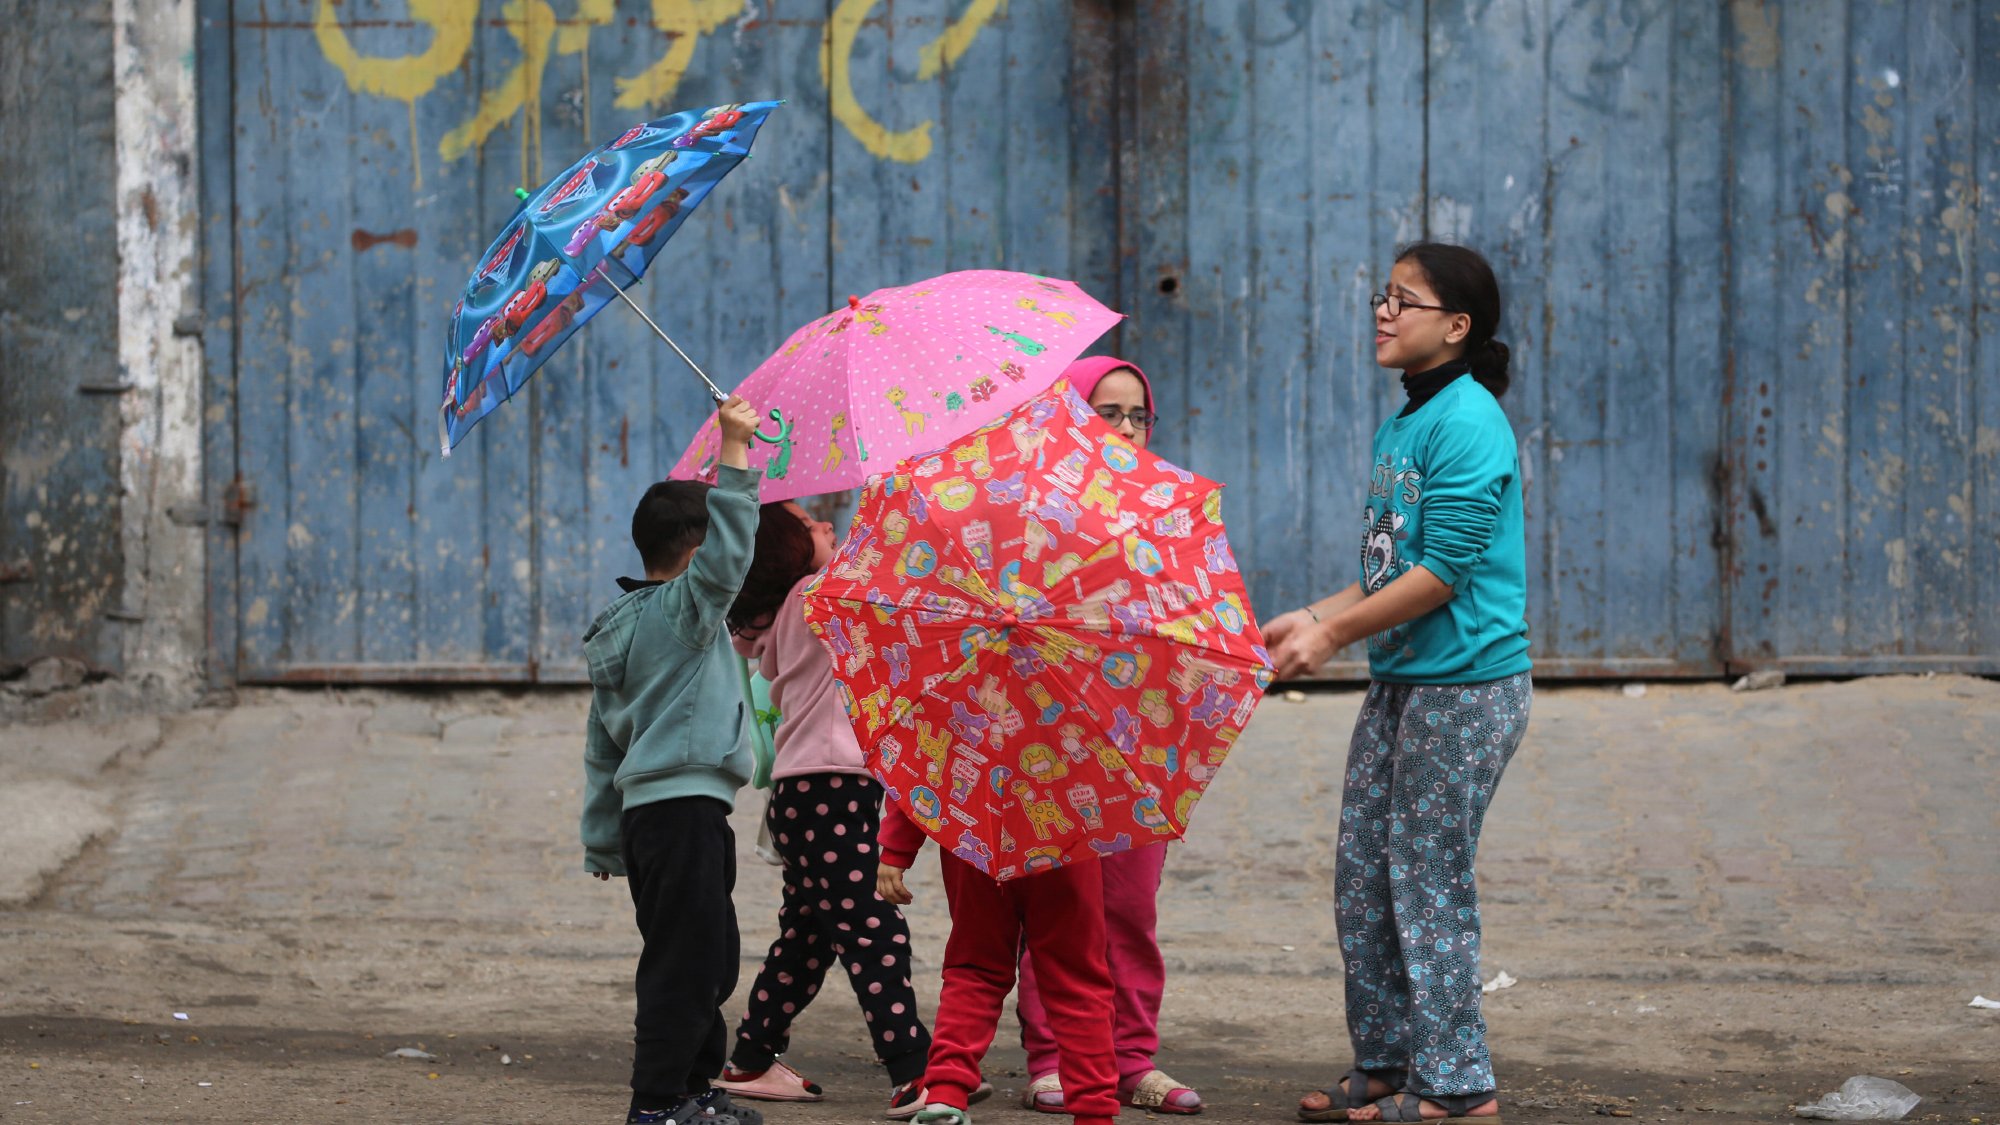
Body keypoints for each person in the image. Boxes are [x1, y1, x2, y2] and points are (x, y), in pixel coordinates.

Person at [1264, 243, 1531, 1124]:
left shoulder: (1469, 421)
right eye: (1382, 296)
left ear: (1456, 326)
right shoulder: (1406, 421)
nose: (1383, 312)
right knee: (1363, 873)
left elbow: (1443, 572)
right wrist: (1310, 614)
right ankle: (1386, 1060)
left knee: (1426, 879)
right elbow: (1391, 569)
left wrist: (1333, 635)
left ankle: (1458, 1084)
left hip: (1466, 687)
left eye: (1402, 301)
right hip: (1406, 679)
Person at [1016, 355, 1202, 1117]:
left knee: (1130, 907)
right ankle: (1054, 1055)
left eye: (1138, 415)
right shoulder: (1034, 509)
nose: (1126, 428)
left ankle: (1132, 1057)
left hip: (1142, 739)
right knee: (1063, 910)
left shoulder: (1170, 510)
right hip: (1055, 741)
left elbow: (1199, 612)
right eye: (1107, 412)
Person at [711, 501, 936, 1119]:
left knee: (807, 939)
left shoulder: (789, 609)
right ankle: (914, 1072)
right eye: (810, 524)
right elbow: (886, 562)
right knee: (874, 929)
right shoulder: (818, 593)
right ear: (785, 550)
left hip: (810, 796)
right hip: (829, 790)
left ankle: (750, 1059)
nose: (828, 525)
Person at [580, 395, 769, 1125]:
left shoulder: (625, 626)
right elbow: (730, 553)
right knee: (685, 964)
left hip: (660, 819)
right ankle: (656, 1103)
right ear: (694, 558)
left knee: (709, 958)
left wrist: (604, 837)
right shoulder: (687, 614)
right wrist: (734, 448)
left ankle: (692, 1090)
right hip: (681, 813)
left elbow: (603, 743)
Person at [876, 806, 1117, 1125]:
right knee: (1077, 979)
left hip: (976, 838)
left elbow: (919, 779)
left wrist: (897, 850)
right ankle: (1094, 1111)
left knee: (975, 969)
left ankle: (945, 1094)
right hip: (1066, 842)